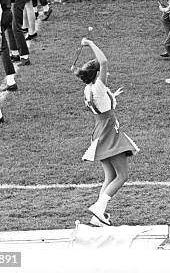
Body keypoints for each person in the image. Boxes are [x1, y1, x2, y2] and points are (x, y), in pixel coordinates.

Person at [74, 39, 139, 227]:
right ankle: (99, 207)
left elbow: (101, 103)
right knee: (122, 175)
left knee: (110, 176)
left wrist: (113, 96)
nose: (106, 73)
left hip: (99, 130)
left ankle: (97, 216)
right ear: (96, 75)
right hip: (109, 131)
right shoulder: (98, 87)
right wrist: (90, 43)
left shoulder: (89, 89)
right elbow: (103, 62)